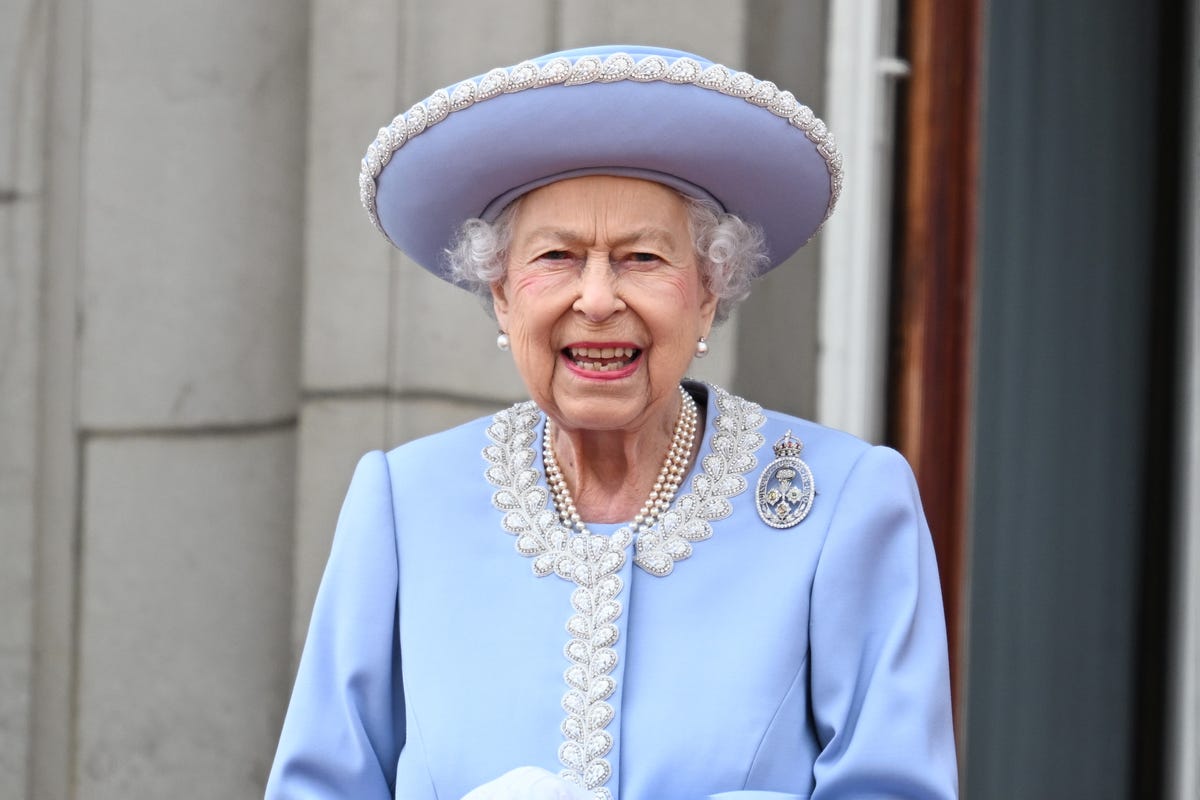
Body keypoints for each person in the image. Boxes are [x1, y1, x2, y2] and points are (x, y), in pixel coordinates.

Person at [266, 45, 957, 800]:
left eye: (641, 258)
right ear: (502, 296)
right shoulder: (404, 502)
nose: (597, 299)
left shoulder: (844, 503)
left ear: (708, 292)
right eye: (557, 256)